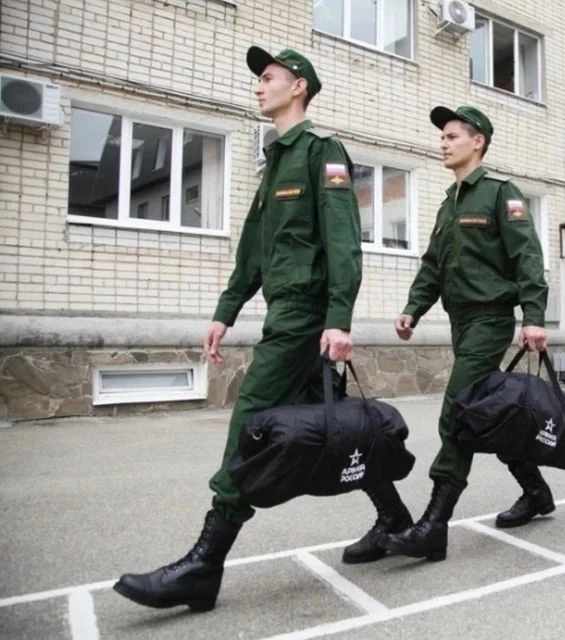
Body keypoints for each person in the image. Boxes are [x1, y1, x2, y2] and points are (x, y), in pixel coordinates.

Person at [113, 46, 370, 611]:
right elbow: (254, 249)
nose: (258, 85)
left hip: (303, 317)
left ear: (298, 87)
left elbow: (343, 242)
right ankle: (395, 517)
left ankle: (203, 565)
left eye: (268, 77)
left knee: (250, 418)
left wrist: (338, 319)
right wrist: (224, 311)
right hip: (284, 310)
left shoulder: (322, 152)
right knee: (339, 420)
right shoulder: (273, 161)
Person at [379, 105, 550, 561]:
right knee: (486, 416)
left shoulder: (499, 193)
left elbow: (527, 256)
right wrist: (412, 309)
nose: (443, 142)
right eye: (442, 137)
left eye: (453, 136)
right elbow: (433, 266)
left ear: (478, 142)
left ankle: (434, 525)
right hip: (461, 323)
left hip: (490, 321)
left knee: (457, 412)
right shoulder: (448, 203)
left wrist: (534, 316)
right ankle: (536, 492)